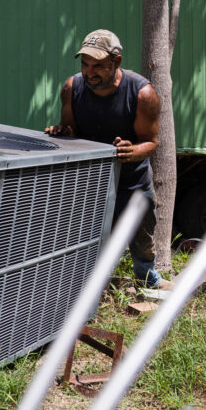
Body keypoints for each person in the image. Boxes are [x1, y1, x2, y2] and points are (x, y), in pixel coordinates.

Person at [45, 29, 172, 289]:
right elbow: (71, 131)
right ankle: (79, 282)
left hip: (131, 178)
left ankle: (148, 276)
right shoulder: (72, 88)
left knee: (140, 230)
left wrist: (131, 151)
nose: (89, 72)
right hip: (89, 178)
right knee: (82, 231)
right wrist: (62, 133)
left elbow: (151, 142)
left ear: (117, 62)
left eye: (99, 66)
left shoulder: (142, 94)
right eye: (85, 65)